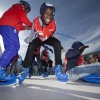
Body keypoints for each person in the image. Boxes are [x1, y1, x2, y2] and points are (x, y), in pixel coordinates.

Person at [23, 2, 62, 81]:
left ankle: (58, 70)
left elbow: (55, 35)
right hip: (39, 38)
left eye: (51, 14)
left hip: (48, 38)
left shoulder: (54, 23)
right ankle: (25, 69)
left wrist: (58, 44)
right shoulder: (35, 21)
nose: (49, 16)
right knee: (31, 45)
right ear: (42, 12)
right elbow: (32, 33)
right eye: (47, 13)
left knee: (57, 43)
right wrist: (30, 39)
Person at [0, 0, 32, 83]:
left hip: (7, 26)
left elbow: (20, 26)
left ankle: (3, 72)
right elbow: (24, 18)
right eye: (27, 11)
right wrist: (33, 25)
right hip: (8, 26)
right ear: (25, 6)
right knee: (13, 46)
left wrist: (27, 28)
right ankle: (0, 68)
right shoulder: (19, 6)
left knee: (11, 49)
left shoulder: (15, 13)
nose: (26, 12)